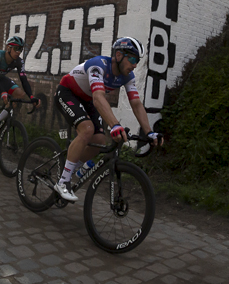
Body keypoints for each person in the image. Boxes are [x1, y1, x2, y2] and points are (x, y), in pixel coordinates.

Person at [53, 36, 163, 202]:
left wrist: (149, 132)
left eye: (137, 61)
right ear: (118, 55)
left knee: (99, 141)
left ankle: (70, 168)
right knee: (87, 130)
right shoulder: (98, 66)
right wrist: (115, 125)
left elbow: (136, 104)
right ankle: (63, 182)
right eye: (132, 59)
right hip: (67, 92)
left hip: (87, 99)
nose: (134, 64)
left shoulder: (127, 76)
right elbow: (98, 98)